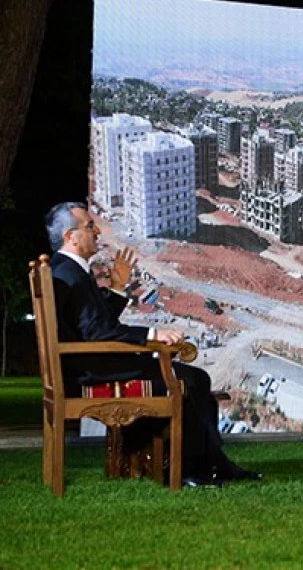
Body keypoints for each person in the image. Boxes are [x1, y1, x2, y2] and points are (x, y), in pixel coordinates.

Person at [45, 201, 262, 488]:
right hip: (94, 372)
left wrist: (118, 287)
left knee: (194, 382)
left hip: (91, 365)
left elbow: (97, 324)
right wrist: (152, 335)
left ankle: (210, 464)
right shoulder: (70, 274)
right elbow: (99, 333)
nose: (97, 231)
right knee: (190, 381)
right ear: (70, 236)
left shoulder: (65, 270)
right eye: (89, 226)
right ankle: (190, 468)